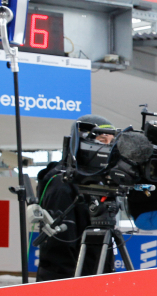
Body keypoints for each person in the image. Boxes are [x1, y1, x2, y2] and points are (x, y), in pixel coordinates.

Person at [35, 115, 118, 280]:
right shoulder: (61, 183)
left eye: (112, 142)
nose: (108, 148)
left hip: (94, 274)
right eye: (102, 140)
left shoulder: (99, 181)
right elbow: (59, 247)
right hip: (67, 283)